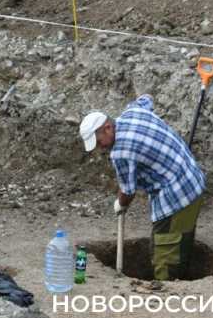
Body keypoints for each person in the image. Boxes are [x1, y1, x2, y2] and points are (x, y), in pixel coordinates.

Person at [80, 94, 206, 281]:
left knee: (165, 252)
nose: (100, 148)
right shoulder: (133, 112)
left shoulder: (121, 152)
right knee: (181, 240)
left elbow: (128, 190)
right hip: (193, 182)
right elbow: (145, 99)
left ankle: (166, 293)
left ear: (108, 128)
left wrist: (120, 205)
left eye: (99, 142)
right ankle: (180, 276)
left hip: (176, 197)